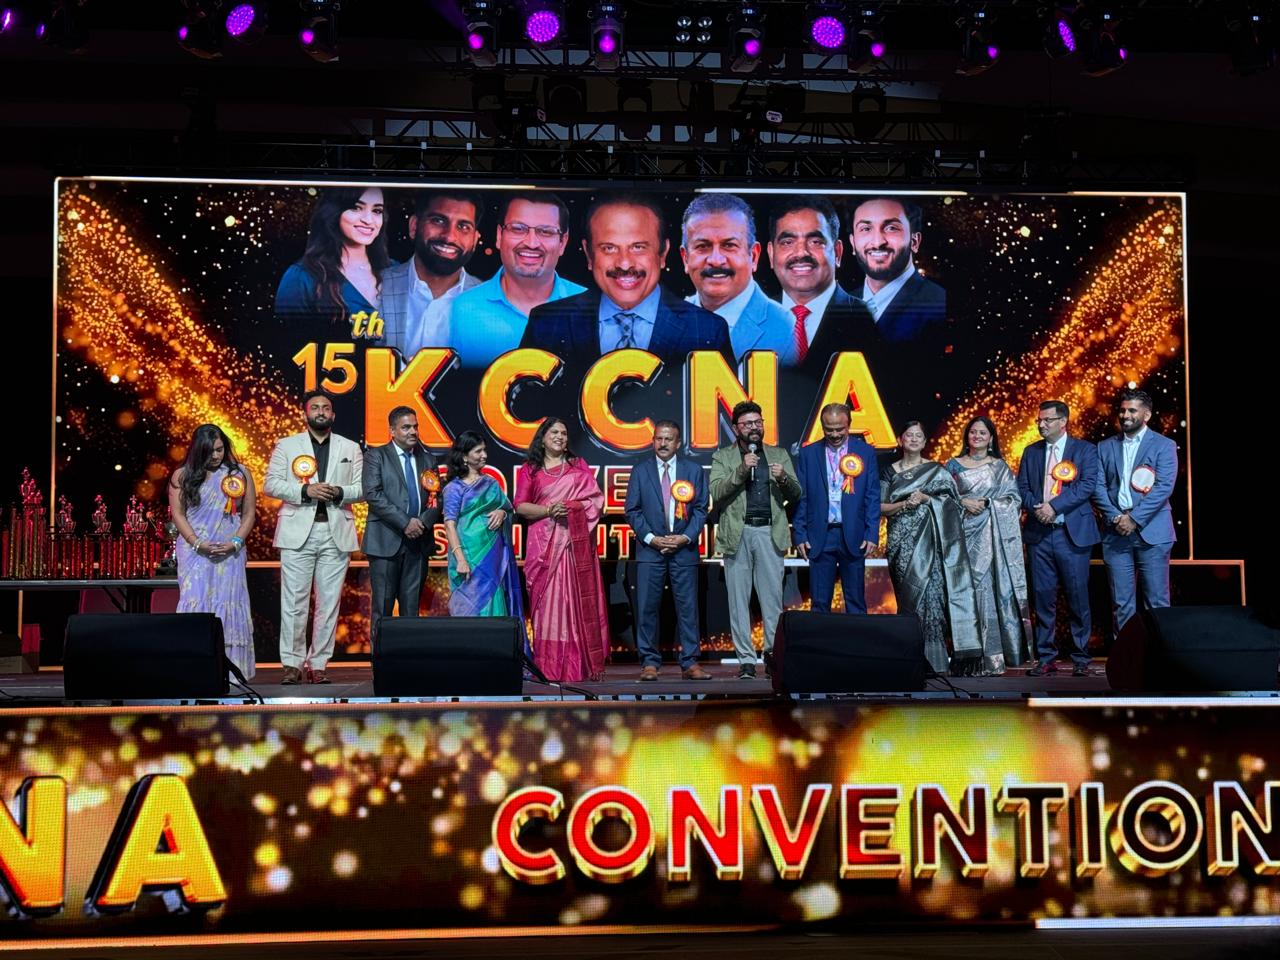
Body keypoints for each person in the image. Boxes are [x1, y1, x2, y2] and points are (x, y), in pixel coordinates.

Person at [521, 193, 732, 372]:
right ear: (589, 254)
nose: (624, 263)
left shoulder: (707, 330)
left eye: (638, 247)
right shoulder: (546, 324)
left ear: (663, 253)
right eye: (609, 248)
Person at [264, 390, 364, 685]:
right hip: (298, 532)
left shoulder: (350, 447)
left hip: (335, 532)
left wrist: (339, 491)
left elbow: (362, 488)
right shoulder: (287, 445)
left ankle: (318, 664)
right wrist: (305, 490)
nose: (321, 411)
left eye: (326, 408)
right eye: (315, 407)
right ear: (305, 413)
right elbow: (271, 484)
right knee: (294, 602)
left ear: (333, 415)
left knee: (328, 603)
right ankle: (292, 664)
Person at [709, 400, 802, 678]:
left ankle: (773, 657)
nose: (754, 428)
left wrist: (783, 478)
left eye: (758, 422)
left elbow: (797, 493)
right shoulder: (723, 457)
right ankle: (746, 661)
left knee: (772, 600)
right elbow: (717, 492)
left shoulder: (778, 454)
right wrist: (741, 469)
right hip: (737, 534)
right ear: (736, 428)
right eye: (748, 423)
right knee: (738, 601)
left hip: (769, 533)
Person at [879, 421, 981, 674]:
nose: (914, 439)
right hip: (901, 543)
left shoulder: (937, 470)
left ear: (924, 442)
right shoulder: (888, 472)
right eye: (909, 435)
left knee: (932, 596)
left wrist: (927, 499)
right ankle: (909, 658)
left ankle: (935, 661)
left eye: (919, 436)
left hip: (933, 544)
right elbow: (880, 507)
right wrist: (905, 505)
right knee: (909, 596)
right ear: (900, 440)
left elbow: (954, 505)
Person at [513, 418, 610, 682]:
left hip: (573, 547)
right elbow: (520, 506)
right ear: (542, 438)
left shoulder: (578, 466)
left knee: (575, 604)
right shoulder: (531, 469)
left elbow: (595, 502)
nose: (559, 436)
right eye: (554, 432)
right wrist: (549, 510)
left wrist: (571, 508)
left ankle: (579, 665)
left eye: (564, 433)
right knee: (548, 608)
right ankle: (550, 666)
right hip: (543, 549)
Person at [446, 191, 585, 367]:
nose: (531, 243)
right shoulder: (459, 309)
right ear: (499, 236)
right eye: (518, 229)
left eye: (545, 232)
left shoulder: (591, 308)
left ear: (562, 242)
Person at [1017, 400, 1101, 677]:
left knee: (1078, 597)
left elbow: (1086, 486)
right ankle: (1046, 657)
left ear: (1063, 421)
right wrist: (1038, 509)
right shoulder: (1031, 451)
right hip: (1040, 535)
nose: (1041, 425)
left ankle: (1080, 657)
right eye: (1039, 420)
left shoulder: (1085, 450)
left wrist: (1054, 507)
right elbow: (1022, 487)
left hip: (1071, 535)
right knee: (1043, 598)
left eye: (1047, 420)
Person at [944, 416, 1032, 674]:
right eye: (973, 432)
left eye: (983, 433)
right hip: (960, 538)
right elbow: (942, 498)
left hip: (991, 540)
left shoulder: (999, 467)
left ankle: (991, 657)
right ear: (967, 436)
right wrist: (963, 502)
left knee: (988, 595)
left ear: (991, 438)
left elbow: (1013, 500)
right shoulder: (952, 465)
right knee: (962, 594)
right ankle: (964, 656)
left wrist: (989, 504)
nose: (977, 436)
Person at [169, 424, 256, 680]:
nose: (216, 456)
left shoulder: (240, 473)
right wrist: (197, 543)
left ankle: (231, 675)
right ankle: (194, 672)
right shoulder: (182, 476)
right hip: (195, 554)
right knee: (196, 603)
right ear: (198, 450)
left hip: (230, 553)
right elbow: (178, 514)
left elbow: (248, 513)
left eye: (219, 449)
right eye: (210, 451)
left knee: (230, 604)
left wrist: (235, 543)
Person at [624, 421, 709, 680]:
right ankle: (649, 663)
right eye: (659, 439)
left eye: (668, 439)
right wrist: (652, 539)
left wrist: (685, 537)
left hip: (684, 550)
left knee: (688, 609)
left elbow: (701, 509)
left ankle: (690, 662)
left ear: (678, 443)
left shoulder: (693, 470)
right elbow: (632, 510)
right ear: (653, 441)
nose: (663, 444)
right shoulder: (640, 471)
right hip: (651, 551)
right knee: (647, 608)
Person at [1091, 387, 1178, 636]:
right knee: (1121, 604)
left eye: (1132, 410)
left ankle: (1159, 654)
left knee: (1157, 602)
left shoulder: (1164, 445)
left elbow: (1164, 487)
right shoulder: (1105, 446)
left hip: (1152, 533)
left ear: (1146, 415)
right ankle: (1126, 656)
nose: (1125, 415)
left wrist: (1134, 519)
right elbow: (1097, 487)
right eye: (1122, 410)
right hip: (1116, 532)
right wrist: (1117, 517)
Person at [765, 197, 876, 378]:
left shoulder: (870, 320)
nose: (801, 252)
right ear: (771, 254)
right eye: (787, 242)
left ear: (838, 252)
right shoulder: (749, 320)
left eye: (815, 241)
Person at [680, 193, 795, 364]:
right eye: (703, 246)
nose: (716, 260)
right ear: (685, 258)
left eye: (729, 245)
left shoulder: (788, 329)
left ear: (753, 256)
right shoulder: (666, 322)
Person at [362, 406, 441, 647]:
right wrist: (405, 522)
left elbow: (437, 498)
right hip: (385, 542)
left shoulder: (428, 459)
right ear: (392, 430)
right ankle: (381, 661)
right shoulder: (376, 456)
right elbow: (373, 494)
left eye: (415, 426)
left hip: (418, 542)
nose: (413, 431)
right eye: (406, 427)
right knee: (383, 608)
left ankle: (409, 660)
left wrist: (422, 523)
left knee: (411, 609)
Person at [793, 403, 882, 615]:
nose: (834, 434)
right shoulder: (808, 454)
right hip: (819, 535)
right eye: (829, 429)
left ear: (849, 424)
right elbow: (801, 497)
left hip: (854, 534)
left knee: (856, 602)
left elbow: (872, 495)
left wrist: (872, 532)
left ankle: (856, 638)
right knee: (819, 603)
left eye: (839, 429)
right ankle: (821, 638)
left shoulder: (865, 452)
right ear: (822, 426)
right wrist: (800, 533)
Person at [383, 190, 484, 361]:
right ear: (414, 226)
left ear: (474, 240)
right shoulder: (375, 286)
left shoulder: (489, 304)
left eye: (463, 227)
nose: (449, 237)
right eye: (438, 220)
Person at [275, 186, 389, 334]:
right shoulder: (301, 277)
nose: (368, 220)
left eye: (377, 211)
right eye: (356, 208)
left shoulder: (397, 271)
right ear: (334, 211)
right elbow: (286, 342)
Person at [442, 431, 525, 625]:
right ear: (464, 456)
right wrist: (460, 559)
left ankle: (495, 643)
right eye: (478, 451)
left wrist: (502, 513)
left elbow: (508, 509)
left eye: (484, 450)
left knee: (494, 597)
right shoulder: (454, 488)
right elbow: (449, 524)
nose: (484, 455)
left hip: (492, 557)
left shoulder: (491, 483)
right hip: (467, 556)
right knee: (469, 605)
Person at [849, 196, 947, 343]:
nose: (877, 242)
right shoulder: (839, 305)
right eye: (866, 229)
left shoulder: (940, 304)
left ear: (914, 241)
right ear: (853, 243)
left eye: (891, 228)